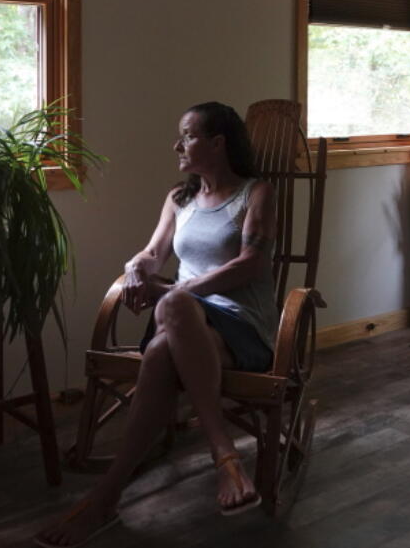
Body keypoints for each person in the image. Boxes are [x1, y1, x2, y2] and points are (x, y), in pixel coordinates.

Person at [36, 102, 278, 547]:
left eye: (187, 135)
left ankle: (103, 499)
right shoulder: (179, 198)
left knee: (173, 316)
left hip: (241, 327)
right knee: (170, 331)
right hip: (184, 320)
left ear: (218, 143)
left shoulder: (254, 193)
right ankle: (222, 455)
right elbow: (153, 252)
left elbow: (253, 265)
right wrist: (135, 269)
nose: (177, 145)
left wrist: (178, 292)